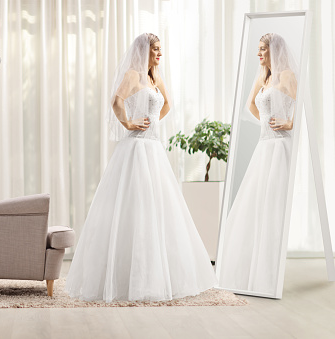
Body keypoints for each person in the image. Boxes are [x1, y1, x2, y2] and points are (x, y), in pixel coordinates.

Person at [65, 33, 216, 302]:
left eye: (161, 49)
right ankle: (125, 278)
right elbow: (116, 101)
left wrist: (152, 120)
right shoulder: (133, 75)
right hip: (134, 148)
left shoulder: (154, 77)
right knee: (133, 208)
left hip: (153, 148)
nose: (159, 54)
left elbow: (167, 104)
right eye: (155, 49)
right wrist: (129, 124)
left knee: (157, 209)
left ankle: (157, 276)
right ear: (143, 50)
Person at [217, 33, 297, 295]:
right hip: (264, 145)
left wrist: (288, 123)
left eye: (263, 49)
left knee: (273, 206)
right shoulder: (263, 77)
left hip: (280, 145)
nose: (259, 53)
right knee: (256, 204)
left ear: (275, 50)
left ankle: (271, 273)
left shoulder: (286, 75)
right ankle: (251, 269)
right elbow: (251, 105)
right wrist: (267, 119)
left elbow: (300, 106)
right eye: (258, 49)